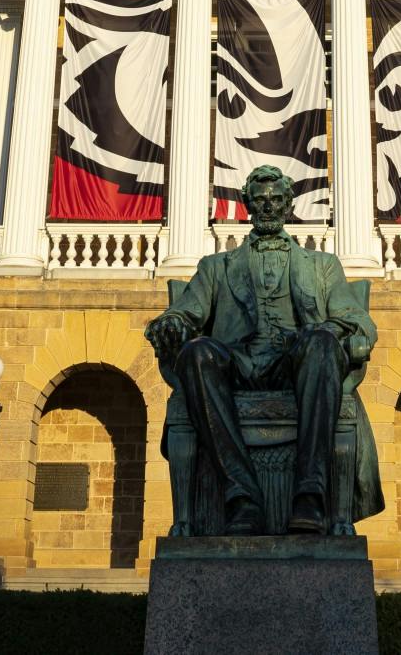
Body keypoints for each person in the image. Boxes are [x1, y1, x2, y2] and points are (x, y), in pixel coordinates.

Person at [145, 165, 382, 534]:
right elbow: (185, 312)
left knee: (320, 344)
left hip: (298, 361)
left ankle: (311, 496)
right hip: (237, 363)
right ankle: (240, 495)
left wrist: (329, 331)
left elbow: (357, 321)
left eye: (276, 199)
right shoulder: (216, 267)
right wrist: (171, 323)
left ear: (289, 205)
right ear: (247, 205)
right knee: (196, 353)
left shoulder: (322, 265)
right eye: (260, 199)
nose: (268, 206)